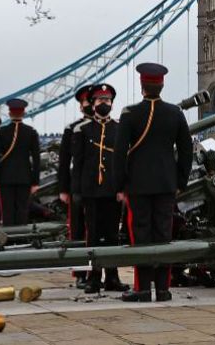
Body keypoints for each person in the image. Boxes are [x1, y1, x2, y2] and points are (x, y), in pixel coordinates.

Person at [115, 63, 192, 303]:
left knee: (141, 236)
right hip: (166, 184)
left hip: (137, 185)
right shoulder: (175, 113)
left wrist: (120, 185)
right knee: (163, 235)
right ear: (162, 84)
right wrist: (180, 181)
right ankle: (163, 289)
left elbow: (119, 153)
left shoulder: (129, 114)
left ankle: (142, 289)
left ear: (141, 85)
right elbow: (186, 150)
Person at [75, 83, 128, 294]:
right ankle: (93, 277)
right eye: (99, 100)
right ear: (93, 104)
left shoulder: (118, 129)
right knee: (93, 236)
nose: (103, 103)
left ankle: (112, 277)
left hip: (112, 191)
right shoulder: (83, 130)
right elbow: (77, 163)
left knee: (112, 235)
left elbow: (123, 161)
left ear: (112, 104)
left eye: (106, 100)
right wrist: (77, 191)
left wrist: (122, 188)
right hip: (91, 191)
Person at [59, 85, 94, 288]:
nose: (88, 105)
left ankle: (105, 272)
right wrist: (64, 189)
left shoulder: (110, 127)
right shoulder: (72, 129)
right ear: (81, 106)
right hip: (78, 187)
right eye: (86, 102)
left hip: (101, 188)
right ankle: (80, 272)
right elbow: (64, 162)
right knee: (78, 230)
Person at [0, 99, 40, 225]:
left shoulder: (1, 132)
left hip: (5, 178)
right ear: (23, 113)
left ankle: (10, 240)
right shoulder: (31, 132)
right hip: (25, 178)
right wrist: (35, 182)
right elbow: (36, 159)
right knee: (23, 210)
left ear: (9, 113)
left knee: (7, 211)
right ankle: (22, 240)